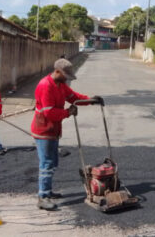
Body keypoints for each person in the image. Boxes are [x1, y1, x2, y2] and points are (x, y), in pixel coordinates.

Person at [31, 58, 103, 210]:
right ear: (57, 71)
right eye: (65, 76)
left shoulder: (61, 85)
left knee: (53, 162)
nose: (66, 79)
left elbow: (74, 98)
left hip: (54, 130)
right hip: (43, 129)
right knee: (46, 164)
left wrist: (91, 100)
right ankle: (42, 197)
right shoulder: (46, 86)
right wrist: (68, 112)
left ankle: (48, 191)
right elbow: (49, 112)